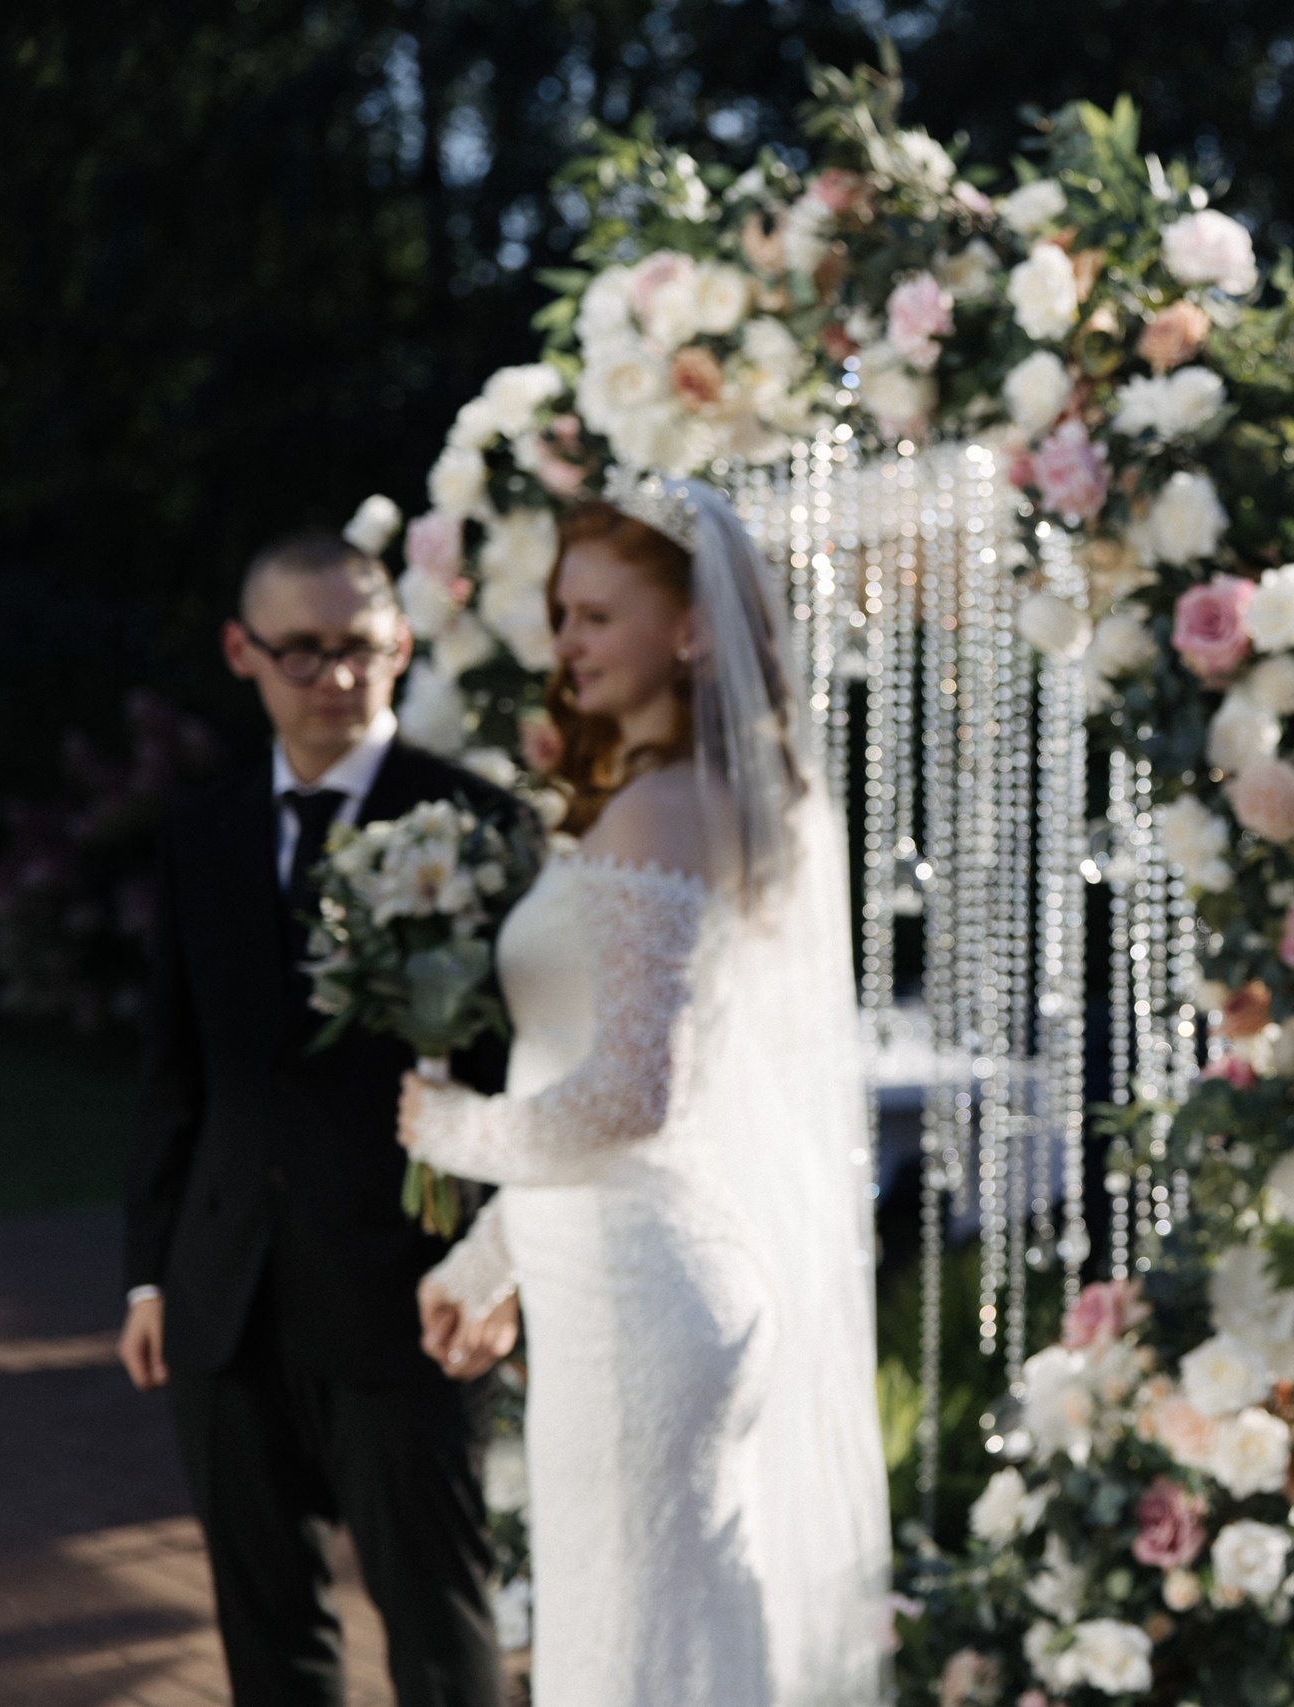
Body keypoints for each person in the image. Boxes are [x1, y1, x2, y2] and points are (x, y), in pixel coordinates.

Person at [396, 474, 891, 1707]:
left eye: (597, 616)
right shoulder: (678, 802)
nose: (566, 645)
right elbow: (631, 1089)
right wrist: (491, 1258)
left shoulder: (662, 811)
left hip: (643, 1310)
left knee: (638, 1660)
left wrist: (451, 1130)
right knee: (640, 1646)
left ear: (694, 630)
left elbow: (629, 1100)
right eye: (562, 615)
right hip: (619, 1282)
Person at [121, 531, 521, 1706]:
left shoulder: (481, 826)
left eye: (357, 647)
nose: (334, 677)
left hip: (410, 1297)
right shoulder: (204, 833)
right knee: (267, 1636)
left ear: (398, 643)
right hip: (223, 1296)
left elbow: (518, 1074)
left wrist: (498, 1270)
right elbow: (173, 1074)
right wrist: (148, 1277)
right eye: (301, 652)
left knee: (442, 1634)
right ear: (244, 654)